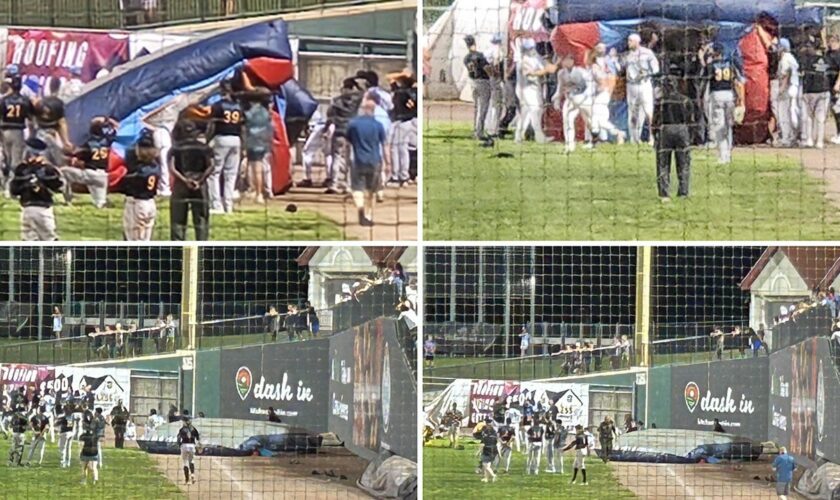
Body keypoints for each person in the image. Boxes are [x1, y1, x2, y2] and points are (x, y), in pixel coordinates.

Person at [346, 95, 390, 227]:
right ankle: (369, 215)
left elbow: (347, 144)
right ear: (374, 110)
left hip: (357, 159)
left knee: (357, 188)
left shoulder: (353, 124)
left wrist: (347, 158)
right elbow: (385, 145)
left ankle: (360, 210)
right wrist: (388, 163)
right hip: (374, 160)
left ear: (362, 109)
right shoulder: (378, 125)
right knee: (371, 190)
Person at [9, 138, 63, 240]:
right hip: (44, 210)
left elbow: (14, 190)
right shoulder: (48, 169)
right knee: (50, 240)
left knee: (28, 242)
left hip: (26, 210)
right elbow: (58, 186)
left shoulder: (21, 169)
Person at [168, 120, 213, 240]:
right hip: (200, 183)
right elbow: (211, 166)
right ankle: (201, 245)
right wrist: (200, 180)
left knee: (178, 220)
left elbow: (172, 167)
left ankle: (177, 247)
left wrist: (184, 180)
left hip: (181, 184)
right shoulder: (204, 147)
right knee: (201, 219)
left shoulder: (176, 148)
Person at [701, 44, 745, 164]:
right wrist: (740, 98)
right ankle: (728, 154)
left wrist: (700, 97)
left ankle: (722, 156)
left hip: (717, 94)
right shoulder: (730, 64)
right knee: (729, 125)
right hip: (729, 94)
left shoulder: (710, 65)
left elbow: (704, 82)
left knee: (720, 126)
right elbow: (738, 81)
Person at [653, 76, 695, 201]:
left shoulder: (661, 101)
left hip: (665, 129)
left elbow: (656, 119)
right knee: (683, 163)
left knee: (663, 163)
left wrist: (655, 134)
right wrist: (690, 136)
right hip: (682, 129)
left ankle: (664, 194)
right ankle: (683, 192)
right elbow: (692, 119)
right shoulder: (685, 100)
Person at [63, 116, 117, 208]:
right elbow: (116, 129)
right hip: (103, 177)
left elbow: (76, 158)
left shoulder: (88, 143)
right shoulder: (107, 141)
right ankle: (102, 201)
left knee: (63, 171)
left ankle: (68, 200)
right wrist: (108, 120)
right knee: (100, 204)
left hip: (90, 174)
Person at [207, 79, 243, 214]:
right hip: (236, 139)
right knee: (231, 174)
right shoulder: (239, 106)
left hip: (221, 137)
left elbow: (212, 125)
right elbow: (243, 127)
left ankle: (216, 205)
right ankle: (229, 206)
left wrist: (207, 140)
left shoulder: (217, 105)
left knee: (214, 172)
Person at [120, 129, 161, 241]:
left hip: (138, 204)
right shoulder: (156, 167)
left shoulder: (139, 172)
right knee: (145, 238)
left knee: (134, 238)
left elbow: (126, 184)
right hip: (151, 203)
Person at [325, 78, 363, 194]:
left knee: (336, 157)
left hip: (339, 131)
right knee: (351, 159)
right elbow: (363, 92)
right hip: (352, 132)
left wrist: (326, 129)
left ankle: (334, 183)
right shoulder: (356, 99)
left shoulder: (336, 101)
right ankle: (348, 185)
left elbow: (329, 116)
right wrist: (357, 85)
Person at [624, 33, 660, 145]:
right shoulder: (627, 55)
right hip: (631, 86)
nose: (628, 43)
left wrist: (646, 73)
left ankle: (652, 137)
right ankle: (634, 138)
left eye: (630, 41)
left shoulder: (648, 53)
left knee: (649, 111)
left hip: (644, 84)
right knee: (633, 112)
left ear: (636, 41)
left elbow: (656, 68)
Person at [0, 74, 33, 193]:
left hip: (5, 131)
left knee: (6, 159)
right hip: (18, 131)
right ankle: (11, 187)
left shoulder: (4, 100)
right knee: (16, 161)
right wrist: (32, 134)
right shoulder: (25, 100)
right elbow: (30, 119)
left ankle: (4, 183)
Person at [800, 38, 833, 149]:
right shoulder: (827, 59)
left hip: (816, 91)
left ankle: (816, 140)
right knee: (813, 117)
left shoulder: (805, 59)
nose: (808, 48)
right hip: (816, 91)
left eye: (810, 46)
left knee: (816, 117)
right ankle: (814, 141)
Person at [590, 43, 625, 144]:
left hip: (604, 91)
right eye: (599, 48)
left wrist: (606, 86)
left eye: (603, 48)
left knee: (596, 117)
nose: (601, 50)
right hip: (596, 92)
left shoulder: (607, 61)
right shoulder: (593, 61)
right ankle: (603, 140)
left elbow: (614, 72)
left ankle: (618, 133)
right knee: (602, 116)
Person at [515, 39, 549, 144]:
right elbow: (529, 74)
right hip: (525, 89)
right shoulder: (523, 61)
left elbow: (544, 68)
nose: (532, 50)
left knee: (527, 113)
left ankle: (518, 137)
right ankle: (540, 138)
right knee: (535, 110)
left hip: (535, 88)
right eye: (530, 48)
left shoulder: (535, 58)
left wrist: (543, 70)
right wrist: (540, 72)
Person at [34, 77, 73, 167]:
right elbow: (62, 123)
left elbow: (32, 121)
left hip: (39, 134)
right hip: (51, 135)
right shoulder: (58, 103)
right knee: (56, 162)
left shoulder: (39, 102)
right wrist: (66, 141)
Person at [242, 90, 273, 202]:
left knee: (254, 168)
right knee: (259, 168)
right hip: (263, 142)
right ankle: (258, 192)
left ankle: (255, 191)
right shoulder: (265, 112)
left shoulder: (250, 112)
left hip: (252, 141)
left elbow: (245, 124)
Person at [463, 35, 492, 140]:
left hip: (473, 82)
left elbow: (470, 70)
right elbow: (487, 68)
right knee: (483, 108)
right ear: (474, 42)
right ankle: (479, 132)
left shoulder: (466, 58)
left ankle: (476, 130)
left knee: (476, 107)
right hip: (483, 81)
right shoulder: (480, 55)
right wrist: (494, 74)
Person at [776, 39, 800, 147]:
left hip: (788, 88)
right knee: (793, 112)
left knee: (783, 113)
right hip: (795, 87)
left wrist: (782, 88)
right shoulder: (791, 58)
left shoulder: (785, 58)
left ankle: (787, 138)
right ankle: (793, 136)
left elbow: (786, 74)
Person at [301, 119, 334, 188]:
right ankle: (329, 178)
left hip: (320, 126)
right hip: (331, 126)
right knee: (328, 154)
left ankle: (307, 178)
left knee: (307, 152)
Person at [485, 33, 505, 138]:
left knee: (489, 105)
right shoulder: (498, 51)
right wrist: (498, 76)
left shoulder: (486, 51)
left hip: (486, 80)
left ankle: (487, 127)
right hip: (495, 80)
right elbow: (496, 64)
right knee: (497, 105)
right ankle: (494, 130)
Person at [177, 417, 201, 485]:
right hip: (192, 445)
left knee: (185, 463)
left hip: (184, 445)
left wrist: (179, 445)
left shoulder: (182, 429)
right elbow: (198, 437)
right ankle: (192, 474)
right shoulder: (193, 428)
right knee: (192, 461)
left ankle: (187, 480)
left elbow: (178, 439)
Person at [478, 418, 498, 483]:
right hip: (493, 450)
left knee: (485, 465)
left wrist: (478, 452)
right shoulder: (494, 432)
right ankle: (486, 478)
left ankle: (493, 475)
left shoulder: (485, 433)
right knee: (488, 465)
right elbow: (495, 442)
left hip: (487, 450)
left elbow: (483, 443)